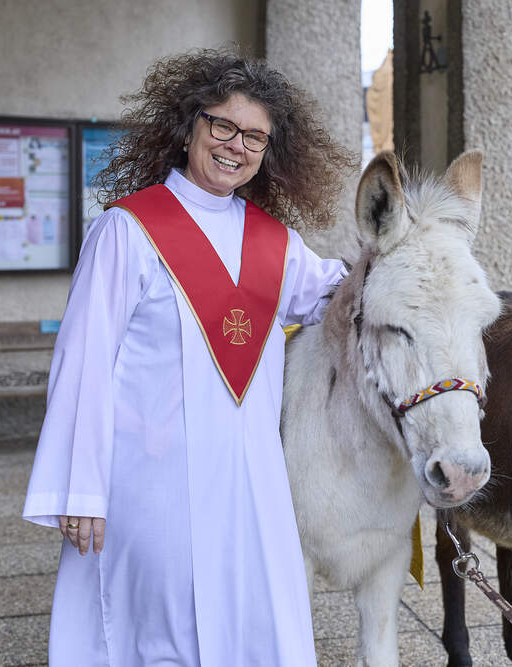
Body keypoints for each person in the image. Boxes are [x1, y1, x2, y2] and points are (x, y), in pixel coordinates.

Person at [23, 49, 355, 666]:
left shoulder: (277, 244)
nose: (236, 146)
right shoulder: (128, 231)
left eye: (254, 136)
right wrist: (81, 488)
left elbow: (341, 296)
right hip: (150, 486)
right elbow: (83, 363)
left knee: (253, 628)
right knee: (160, 632)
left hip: (250, 488)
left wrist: (412, 265)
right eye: (222, 125)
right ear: (188, 127)